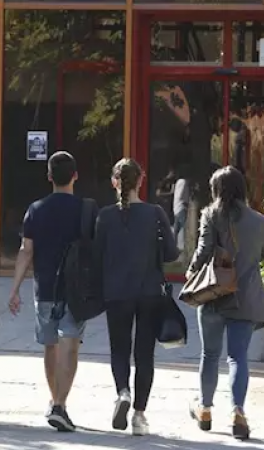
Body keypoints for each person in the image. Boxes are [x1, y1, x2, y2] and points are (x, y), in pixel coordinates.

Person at [8, 151, 96, 432]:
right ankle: (60, 404)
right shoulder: (85, 209)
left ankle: (55, 401)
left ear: (49, 177)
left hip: (44, 287)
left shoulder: (35, 209)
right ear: (75, 176)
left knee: (50, 345)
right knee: (70, 345)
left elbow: (26, 251)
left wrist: (14, 289)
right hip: (76, 289)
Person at [186, 166, 264, 441]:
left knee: (210, 355)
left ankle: (205, 410)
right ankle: (238, 411)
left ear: (216, 190)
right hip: (245, 298)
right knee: (238, 357)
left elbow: (203, 252)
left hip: (213, 295)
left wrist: (191, 273)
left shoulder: (211, 215)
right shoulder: (259, 221)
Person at [94, 158, 177, 436]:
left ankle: (122, 392)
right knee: (144, 354)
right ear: (141, 181)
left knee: (119, 349)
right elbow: (171, 254)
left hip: (116, 292)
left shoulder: (105, 216)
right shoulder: (155, 213)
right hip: (149, 291)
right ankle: (140, 415)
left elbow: (96, 256)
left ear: (114, 182)